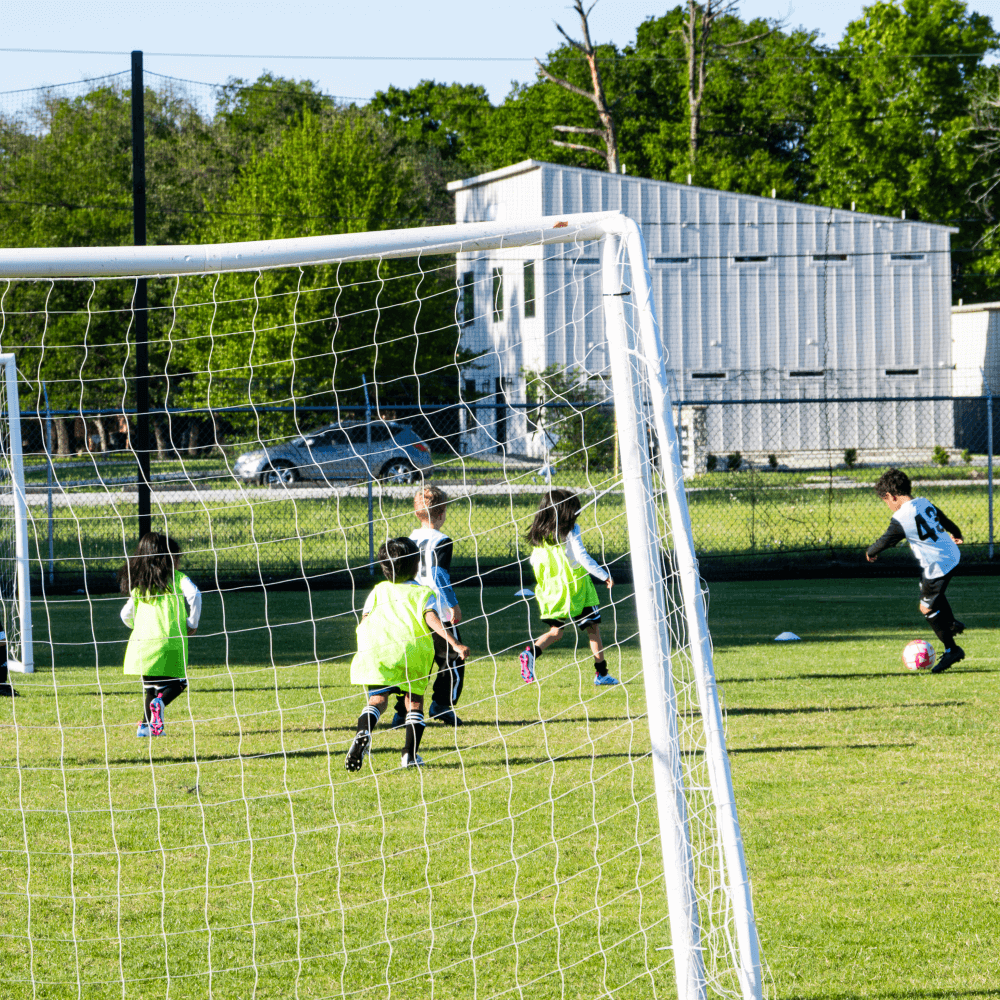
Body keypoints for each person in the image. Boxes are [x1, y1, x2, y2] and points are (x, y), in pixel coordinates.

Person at [347, 537, 470, 772]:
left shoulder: (377, 591)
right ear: (417, 565)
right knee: (414, 702)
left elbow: (364, 620)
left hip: (380, 651)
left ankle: (364, 731)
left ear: (384, 569)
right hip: (411, 653)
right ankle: (409, 756)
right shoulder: (423, 593)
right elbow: (431, 618)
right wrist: (454, 643)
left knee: (377, 700)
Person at [866, 468, 965, 673]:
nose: (888, 506)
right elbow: (944, 519)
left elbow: (886, 540)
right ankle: (952, 623)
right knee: (928, 589)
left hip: (938, 565)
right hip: (950, 554)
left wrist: (871, 551)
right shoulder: (923, 502)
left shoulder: (901, 517)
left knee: (926, 608)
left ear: (892, 497)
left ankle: (952, 650)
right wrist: (956, 533)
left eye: (886, 502)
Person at [519, 489, 618, 686]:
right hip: (577, 588)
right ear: (566, 511)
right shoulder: (572, 530)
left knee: (556, 631)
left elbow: (534, 561)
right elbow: (582, 557)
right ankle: (601, 674)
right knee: (593, 629)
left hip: (553, 590)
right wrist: (604, 575)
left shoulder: (540, 534)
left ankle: (530, 653)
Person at [391, 485, 465, 727]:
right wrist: (453, 605)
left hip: (412, 611)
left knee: (412, 665)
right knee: (453, 657)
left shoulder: (408, 540)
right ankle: (442, 705)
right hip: (439, 611)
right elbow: (438, 574)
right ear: (443, 512)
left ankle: (402, 713)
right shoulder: (442, 540)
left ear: (416, 514)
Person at [119, 532, 202, 736]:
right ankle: (160, 705)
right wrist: (192, 622)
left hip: (142, 645)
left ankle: (146, 728)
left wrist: (136, 626)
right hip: (169, 640)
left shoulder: (140, 585)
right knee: (179, 683)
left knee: (150, 688)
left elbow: (125, 614)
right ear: (168, 558)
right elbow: (195, 595)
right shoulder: (177, 578)